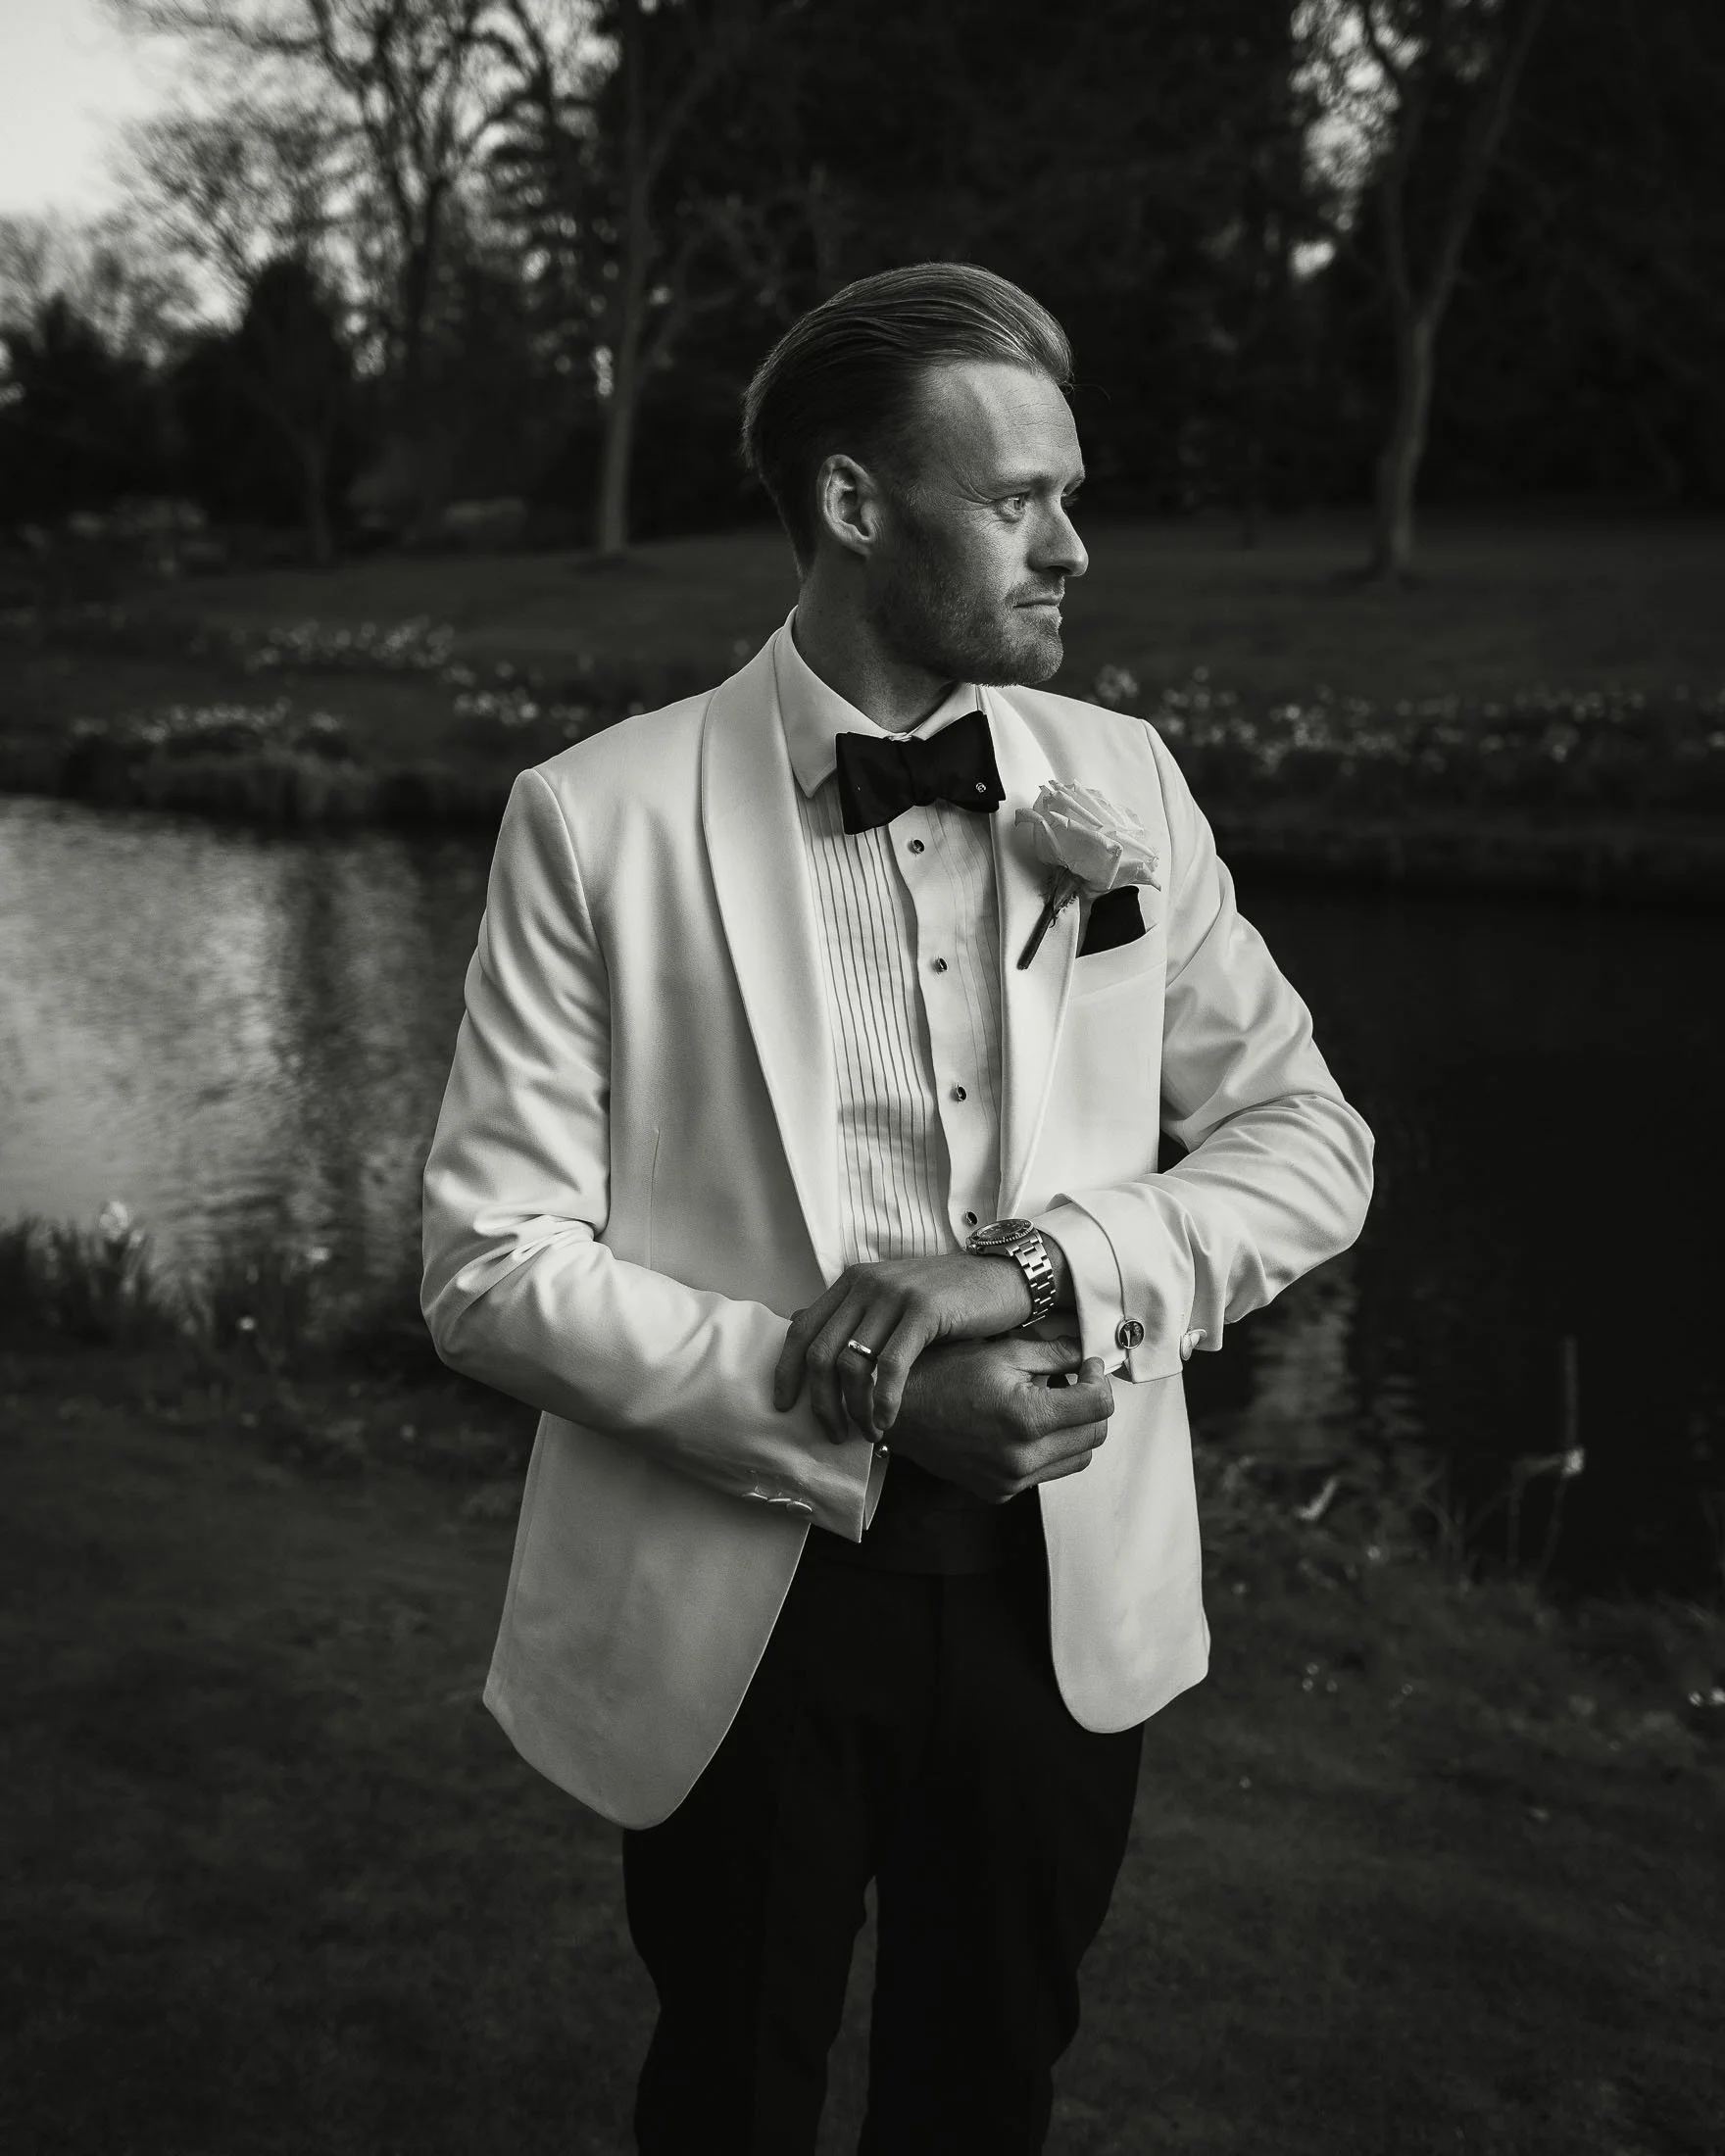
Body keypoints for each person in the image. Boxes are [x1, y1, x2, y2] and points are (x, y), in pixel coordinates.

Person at [420, 262, 1374, 2154]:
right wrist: (850, 1388)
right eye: (1020, 499)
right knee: (730, 2093)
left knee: (989, 2088)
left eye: (1068, 496)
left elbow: (1308, 1143)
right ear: (858, 506)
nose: (1074, 549)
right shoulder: (595, 819)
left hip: (1061, 1601)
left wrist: (1044, 1261)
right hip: (741, 1610)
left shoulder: (1128, 784)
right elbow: (486, 1268)